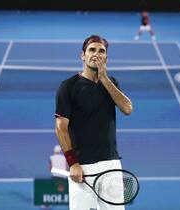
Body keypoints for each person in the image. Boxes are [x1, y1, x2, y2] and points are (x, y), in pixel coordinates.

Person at [54, 35, 133, 210]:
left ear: (106, 58)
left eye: (101, 51)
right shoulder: (68, 87)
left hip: (111, 164)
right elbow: (61, 128)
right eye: (92, 50)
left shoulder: (112, 83)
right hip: (82, 167)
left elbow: (127, 109)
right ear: (82, 55)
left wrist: (104, 78)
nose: (96, 54)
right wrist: (73, 162)